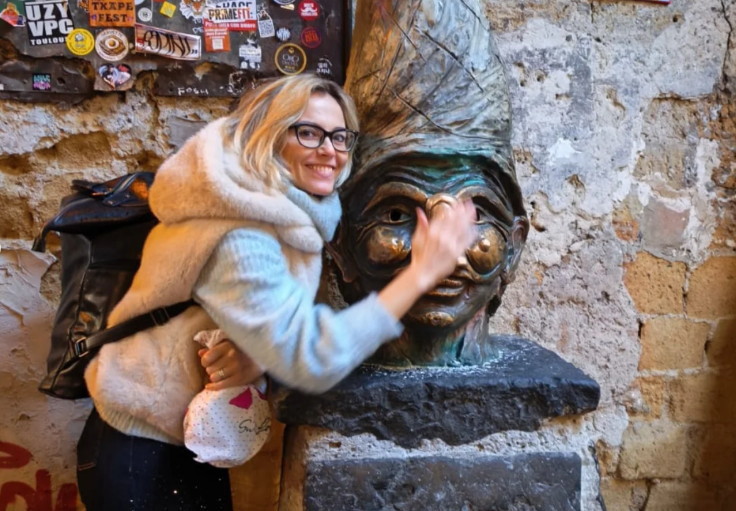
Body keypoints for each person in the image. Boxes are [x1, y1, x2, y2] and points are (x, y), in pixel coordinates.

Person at [76, 74, 476, 510]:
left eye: (340, 136)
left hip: (186, 440)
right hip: (141, 453)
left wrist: (258, 355)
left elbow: (272, 325)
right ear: (266, 136)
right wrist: (421, 274)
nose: (330, 151)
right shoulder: (239, 233)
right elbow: (308, 358)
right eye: (308, 133)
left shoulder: (284, 214)